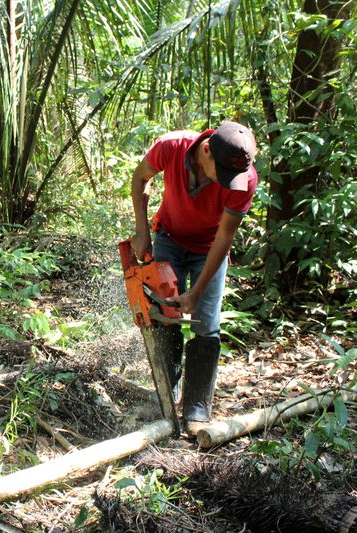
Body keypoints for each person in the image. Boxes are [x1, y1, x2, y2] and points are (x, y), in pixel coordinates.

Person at [130, 121, 258, 436]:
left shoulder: (245, 179)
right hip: (169, 237)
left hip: (209, 250)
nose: (230, 183)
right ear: (205, 151)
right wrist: (142, 231)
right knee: (166, 316)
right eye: (224, 175)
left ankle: (197, 410)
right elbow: (140, 178)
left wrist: (197, 292)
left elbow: (224, 238)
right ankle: (165, 400)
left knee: (206, 325)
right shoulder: (171, 147)